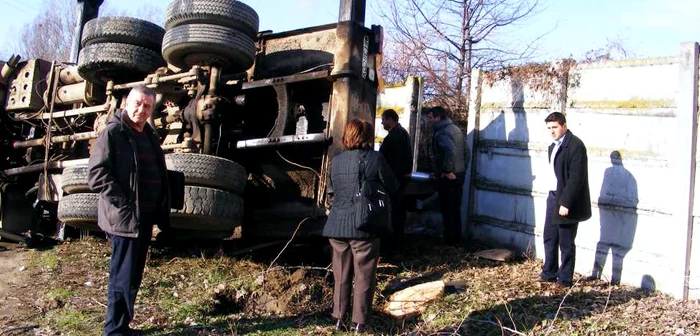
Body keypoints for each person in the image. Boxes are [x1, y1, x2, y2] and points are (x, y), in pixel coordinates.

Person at [88, 85, 170, 335]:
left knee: (134, 276)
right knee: (122, 277)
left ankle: (123, 325)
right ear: (126, 103)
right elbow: (97, 174)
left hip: (143, 218)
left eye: (147, 106)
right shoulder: (114, 133)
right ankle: (113, 330)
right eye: (137, 103)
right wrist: (123, 204)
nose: (141, 110)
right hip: (124, 218)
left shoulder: (148, 135)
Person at [323, 119, 398, 333]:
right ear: (367, 137)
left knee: (341, 275)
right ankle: (359, 323)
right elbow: (393, 185)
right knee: (364, 276)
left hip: (337, 226)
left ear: (347, 136)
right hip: (365, 226)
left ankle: (338, 318)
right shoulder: (376, 158)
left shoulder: (336, 160)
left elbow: (331, 191)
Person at [539, 112, 591, 288]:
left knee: (566, 241)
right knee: (549, 236)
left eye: (555, 127)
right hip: (553, 196)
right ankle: (549, 272)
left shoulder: (575, 146)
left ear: (564, 126)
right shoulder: (553, 146)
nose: (551, 131)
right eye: (549, 128)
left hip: (567, 201)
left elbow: (577, 178)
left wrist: (566, 202)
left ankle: (565, 279)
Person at [425, 106, 467, 246]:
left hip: (449, 177)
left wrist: (447, 171)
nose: (428, 120)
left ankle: (450, 242)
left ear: (438, 117)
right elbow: (467, 151)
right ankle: (457, 240)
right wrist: (461, 170)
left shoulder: (442, 132)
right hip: (459, 175)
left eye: (430, 117)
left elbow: (450, 151)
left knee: (448, 210)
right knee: (455, 210)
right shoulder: (456, 129)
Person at [379, 109, 413, 252]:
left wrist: (388, 179)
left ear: (390, 119)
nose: (382, 123)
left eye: (383, 119)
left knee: (396, 213)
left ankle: (395, 245)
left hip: (395, 181)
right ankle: (397, 243)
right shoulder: (399, 133)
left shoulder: (396, 136)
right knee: (397, 213)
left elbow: (393, 161)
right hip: (398, 180)